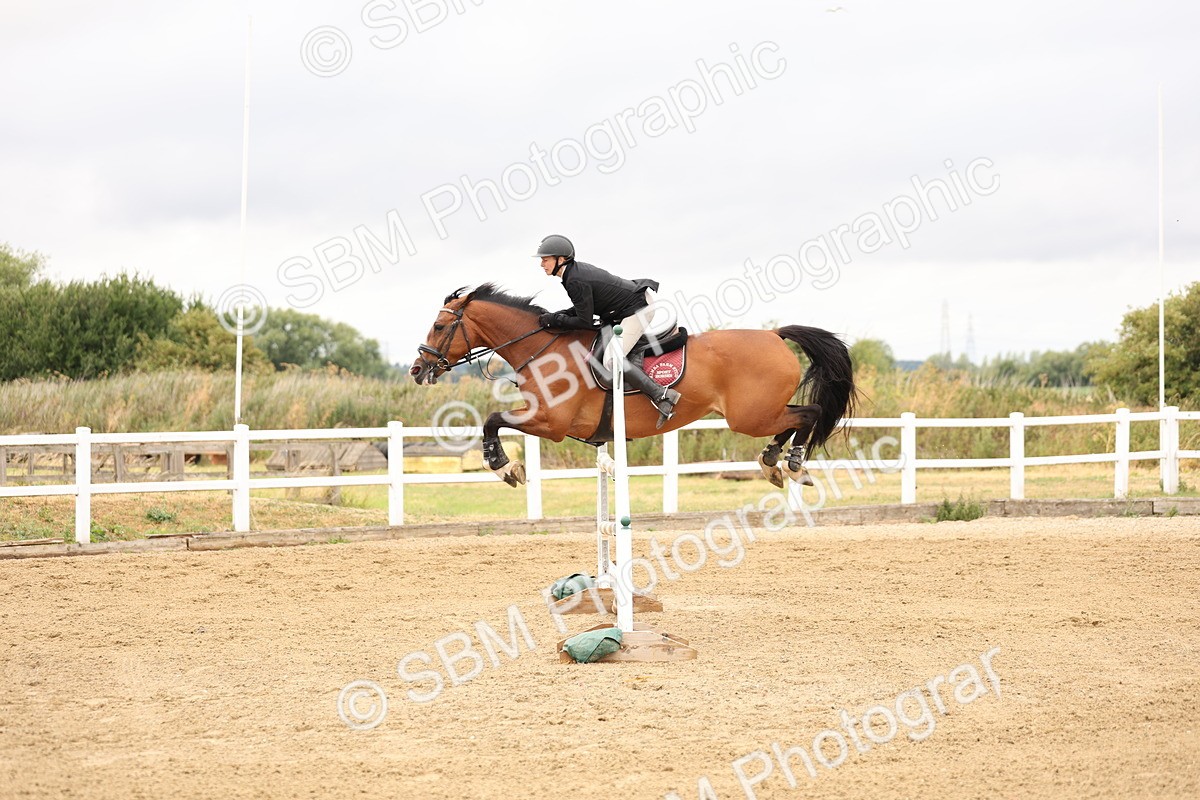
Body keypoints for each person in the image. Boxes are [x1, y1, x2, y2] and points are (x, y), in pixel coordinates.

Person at [533, 234, 681, 429]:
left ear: (561, 259)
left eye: (545, 259)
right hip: (625, 308)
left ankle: (662, 395)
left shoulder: (575, 280)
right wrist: (555, 316)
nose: (542, 264)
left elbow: (584, 321)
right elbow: (582, 309)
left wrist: (554, 320)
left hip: (638, 309)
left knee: (612, 360)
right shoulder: (572, 275)